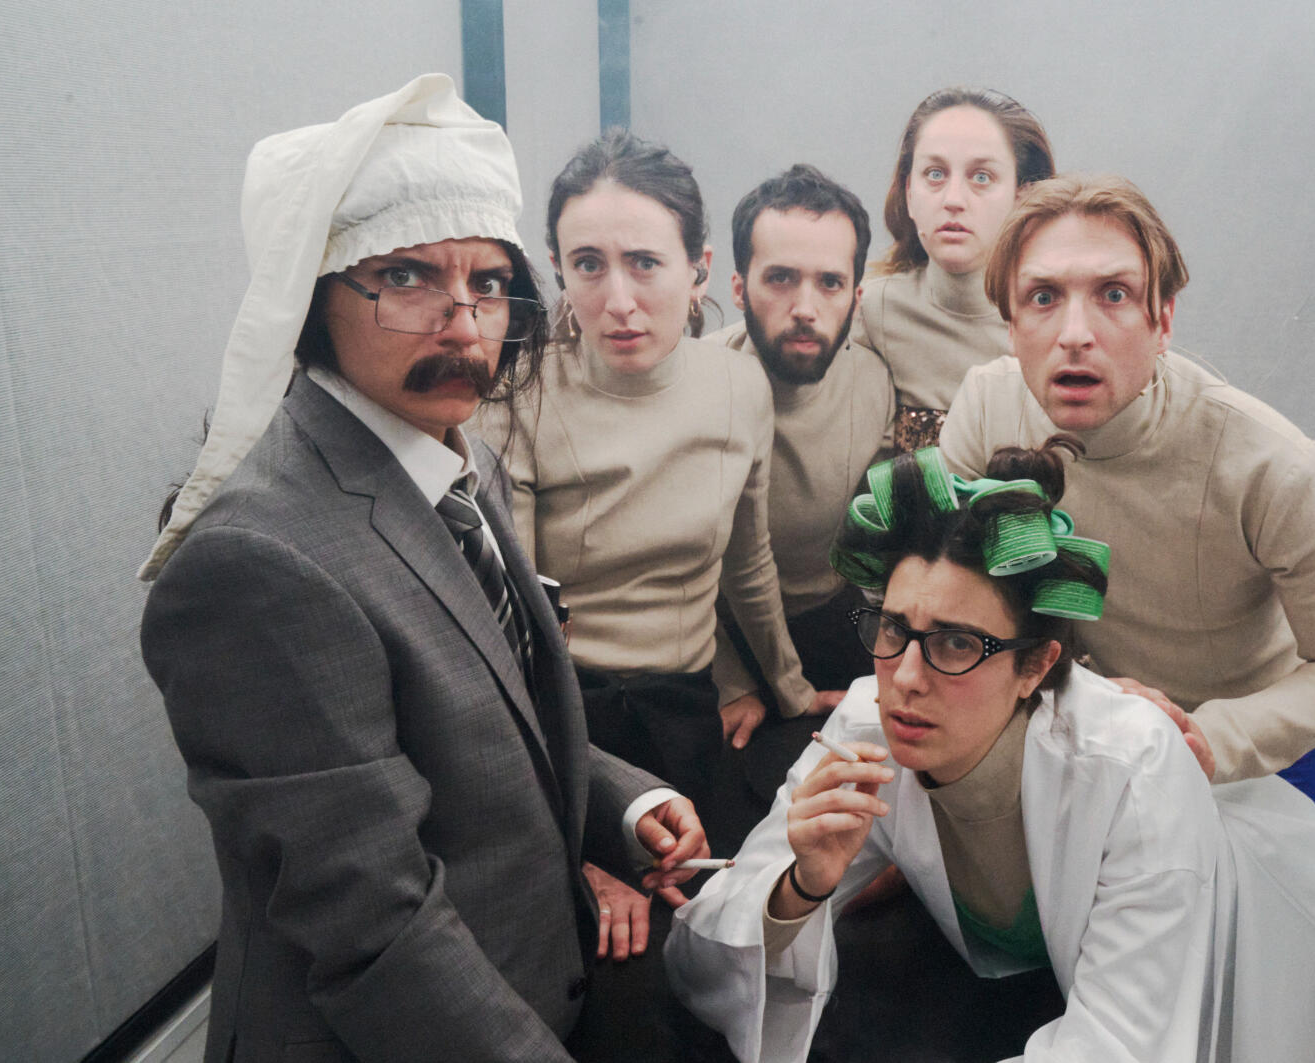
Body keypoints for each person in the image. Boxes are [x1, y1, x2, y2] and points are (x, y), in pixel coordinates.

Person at [139, 75, 708, 1060]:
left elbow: (492, 720)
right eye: (407, 276)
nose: (463, 321)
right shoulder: (258, 562)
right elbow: (377, 927)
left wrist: (622, 803)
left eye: (487, 282)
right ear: (315, 295)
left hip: (530, 980)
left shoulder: (454, 453)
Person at [666, 447, 1315, 1063]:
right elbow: (697, 953)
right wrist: (799, 886)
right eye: (893, 628)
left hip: (1263, 947)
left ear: (1036, 665)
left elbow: (1122, 1045)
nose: (908, 677)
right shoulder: (869, 720)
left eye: (956, 643)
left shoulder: (1133, 768)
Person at [938, 174, 1315, 837]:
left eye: (1114, 294)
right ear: (1011, 326)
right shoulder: (986, 407)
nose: (1074, 334)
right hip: (1084, 743)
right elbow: (943, 594)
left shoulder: (1271, 464)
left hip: (1256, 763)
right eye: (1043, 297)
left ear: (1164, 321)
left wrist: (1210, 738)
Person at [482, 132, 837, 855]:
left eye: (644, 263)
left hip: (691, 707)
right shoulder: (517, 394)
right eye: (588, 264)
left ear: (698, 270)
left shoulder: (738, 386)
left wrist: (792, 692)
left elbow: (747, 566)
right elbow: (511, 622)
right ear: (558, 267)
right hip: (567, 718)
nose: (619, 301)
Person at [707, 164, 892, 720]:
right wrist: (729, 683)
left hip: (834, 621)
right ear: (739, 288)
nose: (806, 309)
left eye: (830, 283)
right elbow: (661, 574)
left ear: (856, 297)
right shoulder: (700, 386)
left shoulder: (877, 381)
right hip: (713, 636)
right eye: (781, 278)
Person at [855, 87, 1054, 451]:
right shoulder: (870, 311)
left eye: (982, 177)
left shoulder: (1061, 323)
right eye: (935, 174)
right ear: (909, 193)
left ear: (1022, 197)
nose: (953, 200)